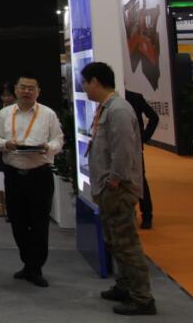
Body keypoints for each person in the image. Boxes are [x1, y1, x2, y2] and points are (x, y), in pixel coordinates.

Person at [81, 61, 156, 316]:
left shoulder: (119, 110)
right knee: (115, 240)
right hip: (108, 188)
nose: (84, 88)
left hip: (117, 189)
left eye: (85, 83)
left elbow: (123, 149)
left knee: (127, 243)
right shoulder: (107, 108)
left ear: (95, 81)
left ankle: (142, 298)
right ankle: (125, 285)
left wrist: (114, 180)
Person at [0, 76, 64, 287]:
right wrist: (6, 144)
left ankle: (35, 267)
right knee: (17, 221)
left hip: (39, 175)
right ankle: (28, 262)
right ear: (15, 89)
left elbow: (58, 140)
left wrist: (48, 147)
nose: (26, 92)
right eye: (23, 87)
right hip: (14, 175)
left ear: (38, 91)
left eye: (31, 88)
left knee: (39, 223)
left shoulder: (48, 114)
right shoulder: (4, 114)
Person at [125, 89, 159, 229]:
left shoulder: (133, 97)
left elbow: (154, 117)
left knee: (139, 180)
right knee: (139, 180)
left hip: (133, 147)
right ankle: (144, 216)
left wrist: (143, 138)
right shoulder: (133, 96)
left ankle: (146, 215)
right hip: (129, 146)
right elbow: (154, 118)